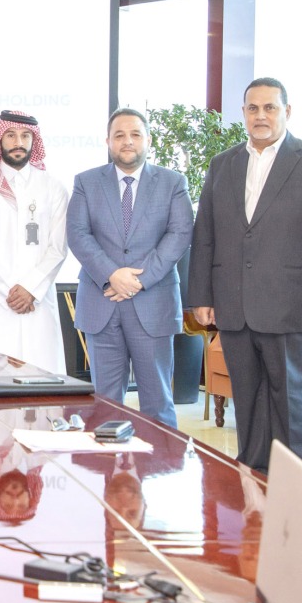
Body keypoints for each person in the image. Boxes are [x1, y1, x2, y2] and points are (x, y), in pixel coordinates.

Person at [189, 77, 302, 473]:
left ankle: (295, 505)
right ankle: (254, 489)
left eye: (270, 108)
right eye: (252, 108)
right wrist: (201, 296)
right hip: (235, 309)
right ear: (243, 113)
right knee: (248, 403)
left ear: (287, 112)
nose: (260, 116)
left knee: (294, 408)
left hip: (294, 310)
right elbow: (206, 234)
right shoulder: (222, 164)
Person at [67, 108, 194, 426]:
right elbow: (78, 234)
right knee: (105, 405)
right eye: (119, 135)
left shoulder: (172, 182)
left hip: (153, 304)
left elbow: (179, 235)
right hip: (102, 302)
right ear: (108, 141)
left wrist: (140, 280)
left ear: (148, 140)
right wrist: (112, 274)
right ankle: (107, 474)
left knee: (158, 404)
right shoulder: (86, 182)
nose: (127, 141)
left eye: (135, 134)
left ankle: (161, 474)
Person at [0, 110, 68, 373]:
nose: (18, 142)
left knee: (43, 386)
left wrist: (31, 289)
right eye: (11, 135)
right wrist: (10, 292)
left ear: (34, 142)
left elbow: (58, 247)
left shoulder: (53, 188)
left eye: (25, 136)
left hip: (38, 302)